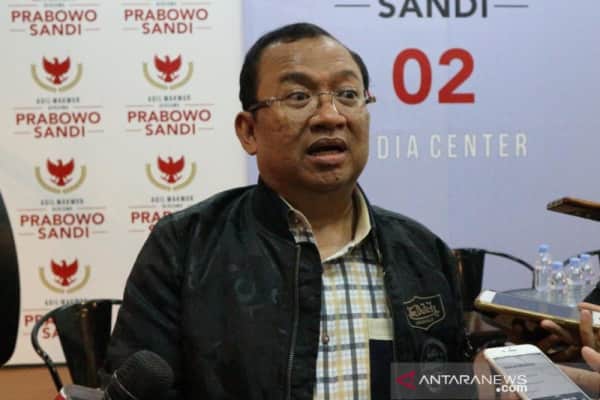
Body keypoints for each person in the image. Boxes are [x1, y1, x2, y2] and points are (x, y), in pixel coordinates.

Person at [102, 22, 471, 399]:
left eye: (348, 94)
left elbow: (443, 389)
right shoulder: (185, 247)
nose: (330, 116)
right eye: (298, 96)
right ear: (249, 131)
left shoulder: (423, 254)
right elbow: (137, 387)